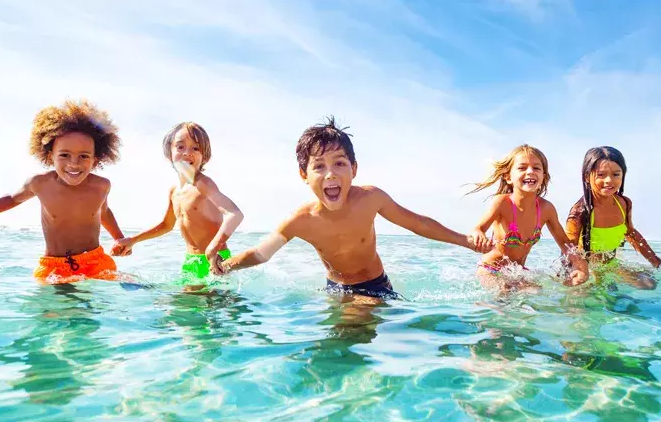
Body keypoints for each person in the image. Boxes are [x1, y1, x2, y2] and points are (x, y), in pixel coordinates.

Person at [212, 116, 481, 300]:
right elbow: (261, 253)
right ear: (304, 175)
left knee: (362, 327)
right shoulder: (301, 220)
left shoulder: (370, 199)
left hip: (377, 286)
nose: (330, 174)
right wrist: (227, 266)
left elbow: (417, 223)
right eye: (319, 166)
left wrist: (465, 240)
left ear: (354, 169)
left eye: (339, 163)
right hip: (337, 290)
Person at [0, 100, 127, 284]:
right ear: (49, 155)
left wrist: (119, 238)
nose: (74, 163)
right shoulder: (40, 183)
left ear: (96, 159)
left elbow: (104, 211)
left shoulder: (101, 186)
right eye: (64, 155)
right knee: (55, 310)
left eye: (84, 156)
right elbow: (12, 200)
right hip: (55, 266)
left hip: (95, 260)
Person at [111, 122, 243, 290]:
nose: (187, 153)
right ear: (169, 153)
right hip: (191, 262)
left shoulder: (203, 184)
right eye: (180, 147)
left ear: (205, 156)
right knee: (183, 308)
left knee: (201, 307)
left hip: (215, 259)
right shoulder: (175, 191)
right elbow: (166, 225)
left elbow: (235, 214)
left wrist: (212, 249)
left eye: (195, 148)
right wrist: (133, 240)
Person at [468, 144, 589, 292]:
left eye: (536, 168)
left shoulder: (546, 209)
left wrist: (581, 266)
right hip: (490, 269)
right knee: (504, 293)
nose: (530, 171)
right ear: (508, 177)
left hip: (518, 272)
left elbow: (565, 243)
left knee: (537, 293)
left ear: (543, 177)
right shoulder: (502, 203)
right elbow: (478, 228)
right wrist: (478, 234)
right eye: (522, 168)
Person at [565, 146, 661, 290]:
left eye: (616, 174)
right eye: (601, 175)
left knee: (649, 284)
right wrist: (574, 274)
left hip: (610, 265)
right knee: (584, 304)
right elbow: (568, 249)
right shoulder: (580, 212)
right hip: (586, 270)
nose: (609, 180)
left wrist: (656, 262)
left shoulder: (624, 203)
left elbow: (631, 233)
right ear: (587, 176)